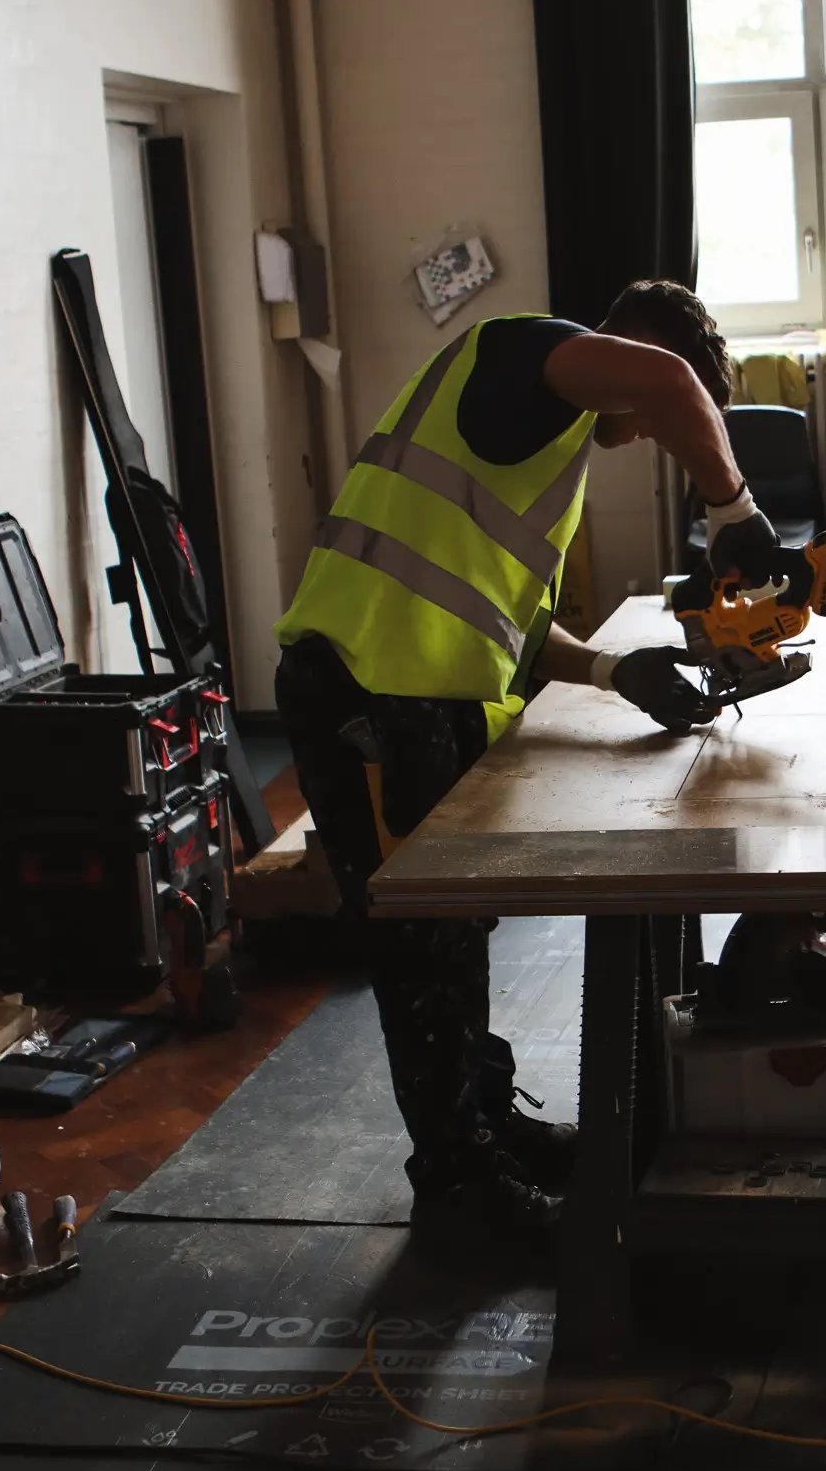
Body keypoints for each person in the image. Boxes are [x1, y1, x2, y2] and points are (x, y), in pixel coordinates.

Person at [274, 281, 778, 1250]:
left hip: (408, 695)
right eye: (651, 413)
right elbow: (669, 381)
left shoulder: (534, 439)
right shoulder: (526, 354)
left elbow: (511, 620)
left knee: (455, 932)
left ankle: (487, 1123)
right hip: (367, 696)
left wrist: (614, 668)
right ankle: (459, 1185)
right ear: (624, 346)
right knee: (421, 945)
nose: (642, 432)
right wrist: (734, 506)